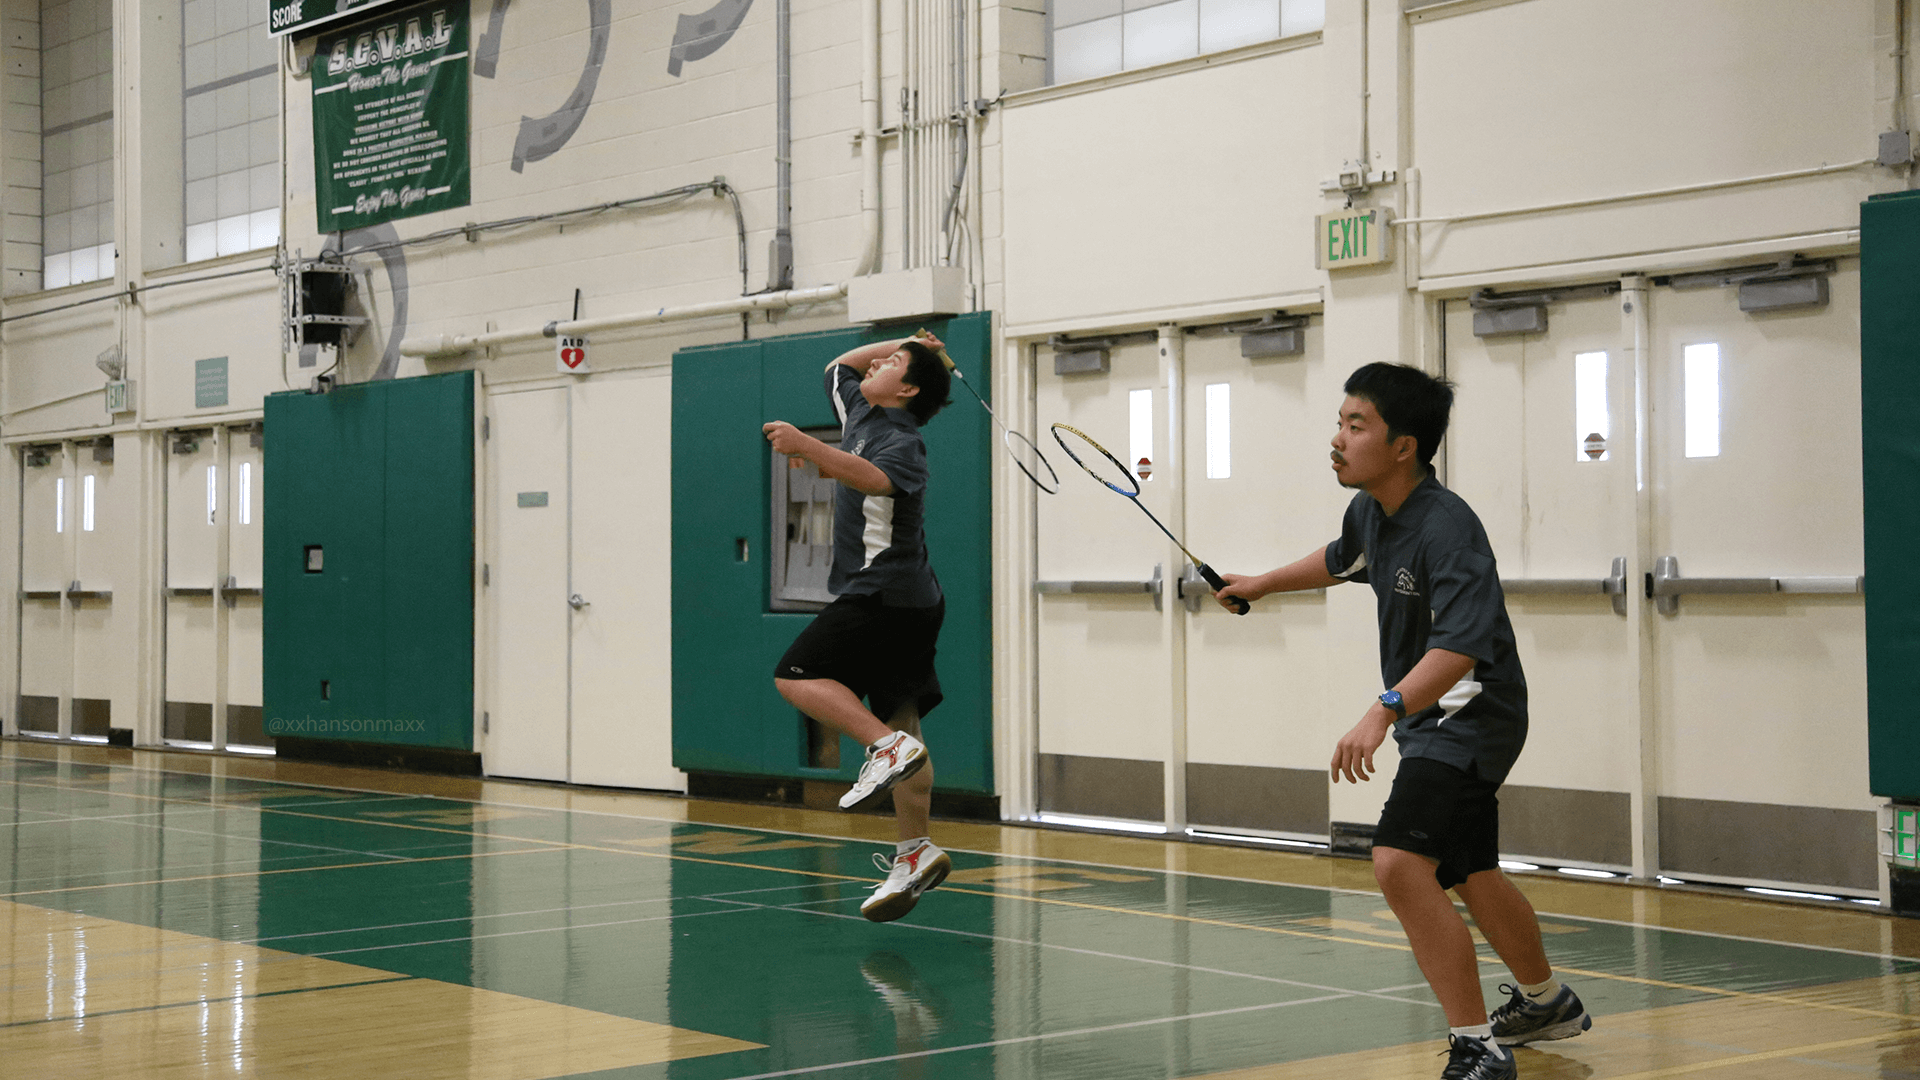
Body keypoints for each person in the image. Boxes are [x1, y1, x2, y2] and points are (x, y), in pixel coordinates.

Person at [1214, 363, 1592, 1080]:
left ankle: (1477, 1047)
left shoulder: (1448, 528)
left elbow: (1459, 649)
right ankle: (1547, 1003)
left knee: (1397, 863)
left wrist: (1382, 711)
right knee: (1469, 870)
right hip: (1434, 715)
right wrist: (1261, 584)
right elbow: (1341, 560)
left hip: (1469, 713)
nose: (1337, 439)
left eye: (1356, 426)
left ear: (1403, 447)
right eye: (1340, 422)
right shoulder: (1371, 511)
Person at [765, 333, 955, 923]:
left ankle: (884, 748)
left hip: (885, 591)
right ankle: (915, 851)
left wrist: (807, 445)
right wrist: (907, 340)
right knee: (904, 723)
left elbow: (872, 479)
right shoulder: (862, 412)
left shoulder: (903, 440)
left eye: (892, 363)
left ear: (908, 390)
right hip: (908, 598)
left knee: (795, 675)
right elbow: (837, 366)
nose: (875, 361)